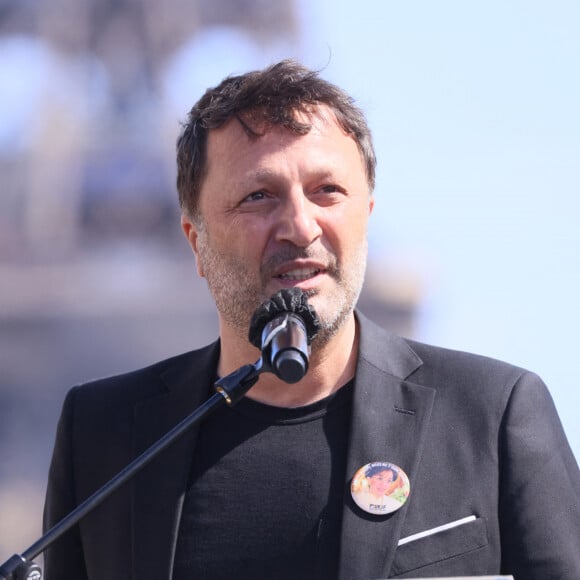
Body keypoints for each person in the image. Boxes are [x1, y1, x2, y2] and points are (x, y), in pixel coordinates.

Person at [43, 59, 579, 580]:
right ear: (196, 242)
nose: (300, 226)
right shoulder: (104, 436)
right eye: (258, 196)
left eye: (327, 191)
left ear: (366, 216)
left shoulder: (494, 416)